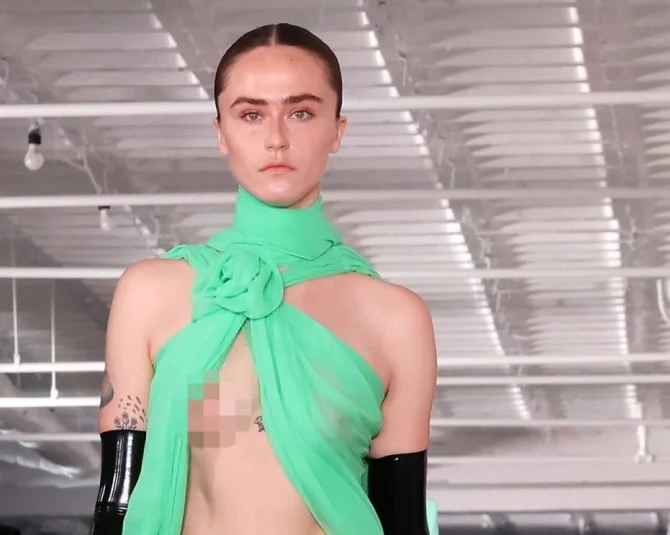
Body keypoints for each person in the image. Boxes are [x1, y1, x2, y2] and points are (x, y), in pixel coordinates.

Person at [90, 23, 439, 535]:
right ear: (220, 133)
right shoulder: (150, 292)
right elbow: (117, 501)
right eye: (251, 114)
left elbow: (402, 519)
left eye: (301, 112)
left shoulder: (395, 318)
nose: (276, 138)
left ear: (337, 130)